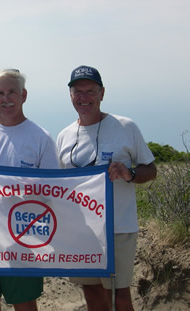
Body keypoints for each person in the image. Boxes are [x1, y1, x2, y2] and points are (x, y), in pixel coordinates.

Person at [56, 65, 157, 311]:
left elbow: (151, 170)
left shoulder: (126, 127)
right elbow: (58, 185)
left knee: (119, 296)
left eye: (90, 91)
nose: (83, 97)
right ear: (70, 96)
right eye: (77, 92)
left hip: (117, 228)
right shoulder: (64, 136)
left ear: (102, 93)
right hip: (82, 231)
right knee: (92, 293)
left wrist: (130, 173)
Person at [0, 69, 59, 311]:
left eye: (12, 92)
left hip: (23, 236)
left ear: (23, 95)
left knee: (24, 302)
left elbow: (52, 191)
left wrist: (27, 195)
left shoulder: (41, 137)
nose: (6, 98)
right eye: (0, 93)